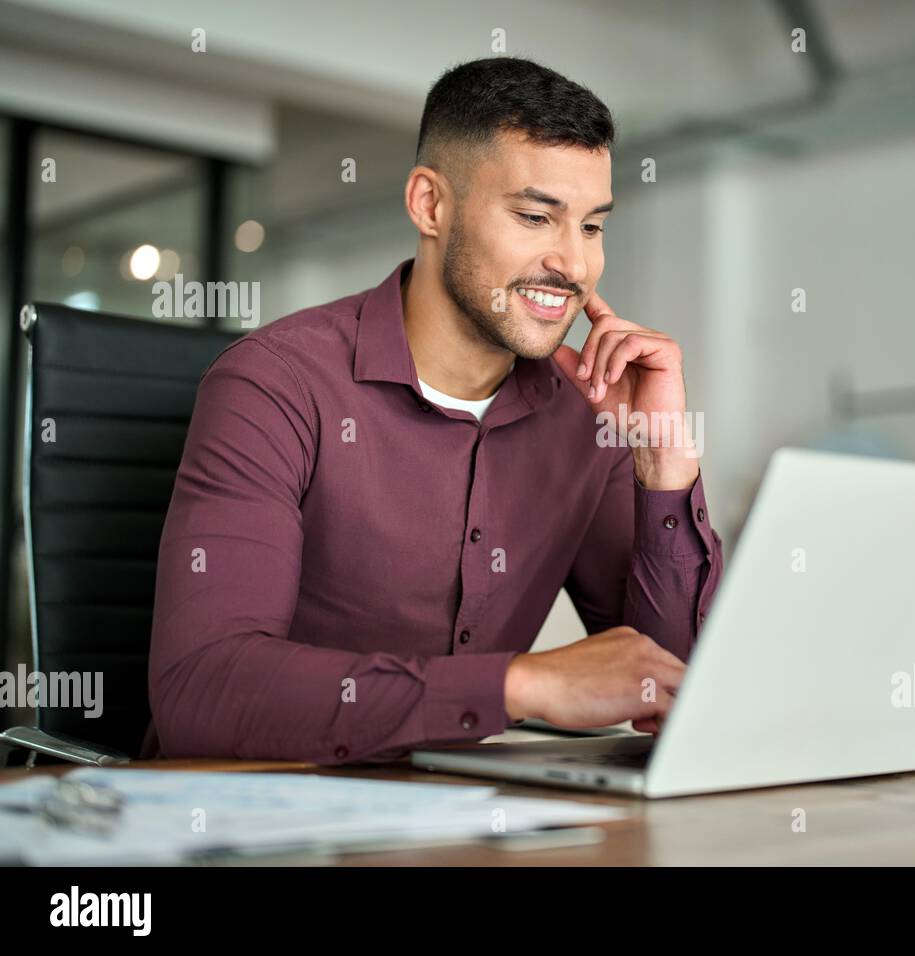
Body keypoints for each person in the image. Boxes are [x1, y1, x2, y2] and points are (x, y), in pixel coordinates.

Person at [144, 57, 723, 763]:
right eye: (536, 217)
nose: (574, 264)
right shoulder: (274, 386)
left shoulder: (587, 413)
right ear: (430, 205)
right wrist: (517, 685)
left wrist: (663, 461)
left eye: (592, 227)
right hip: (259, 824)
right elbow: (202, 692)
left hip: (465, 818)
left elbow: (677, 694)